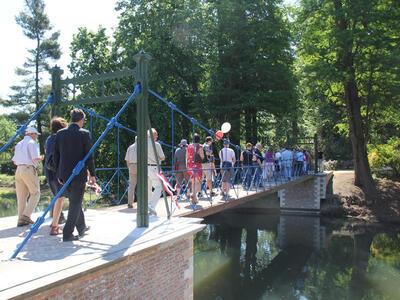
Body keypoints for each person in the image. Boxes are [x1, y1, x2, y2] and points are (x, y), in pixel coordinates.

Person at [54, 109, 95, 242]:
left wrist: (58, 173)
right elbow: (89, 156)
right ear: (81, 119)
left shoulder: (60, 134)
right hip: (78, 174)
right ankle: (67, 233)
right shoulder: (84, 134)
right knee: (76, 203)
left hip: (64, 174)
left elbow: (56, 156)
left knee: (74, 201)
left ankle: (81, 227)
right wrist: (92, 174)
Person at [12, 126, 43, 227]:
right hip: (28, 169)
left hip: (18, 170)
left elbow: (14, 161)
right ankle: (26, 215)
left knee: (21, 197)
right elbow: (35, 158)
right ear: (32, 134)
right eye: (36, 135)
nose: (36, 137)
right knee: (36, 193)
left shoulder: (19, 144)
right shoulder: (32, 143)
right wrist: (43, 157)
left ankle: (21, 220)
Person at [45, 117, 68, 235]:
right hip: (58, 171)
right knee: (60, 198)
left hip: (48, 170)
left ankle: (55, 221)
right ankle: (54, 227)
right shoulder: (61, 138)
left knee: (56, 196)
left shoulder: (49, 139)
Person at [147, 128, 165, 215]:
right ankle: (151, 205)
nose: (157, 136)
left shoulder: (142, 144)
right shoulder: (156, 144)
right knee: (159, 187)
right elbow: (162, 157)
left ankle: (149, 206)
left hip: (145, 168)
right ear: (153, 135)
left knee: (148, 187)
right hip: (154, 168)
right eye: (156, 135)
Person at [186, 133, 204, 204]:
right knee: (199, 182)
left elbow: (186, 156)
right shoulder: (200, 147)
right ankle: (193, 194)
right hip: (197, 166)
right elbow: (202, 157)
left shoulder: (189, 146)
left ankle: (194, 199)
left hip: (190, 166)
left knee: (193, 182)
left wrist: (187, 165)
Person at [125, 136, 137, 208]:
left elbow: (127, 159)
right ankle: (144, 203)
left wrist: (129, 167)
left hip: (132, 166)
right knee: (143, 185)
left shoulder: (130, 147)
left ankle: (130, 203)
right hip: (140, 166)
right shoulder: (143, 147)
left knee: (131, 186)